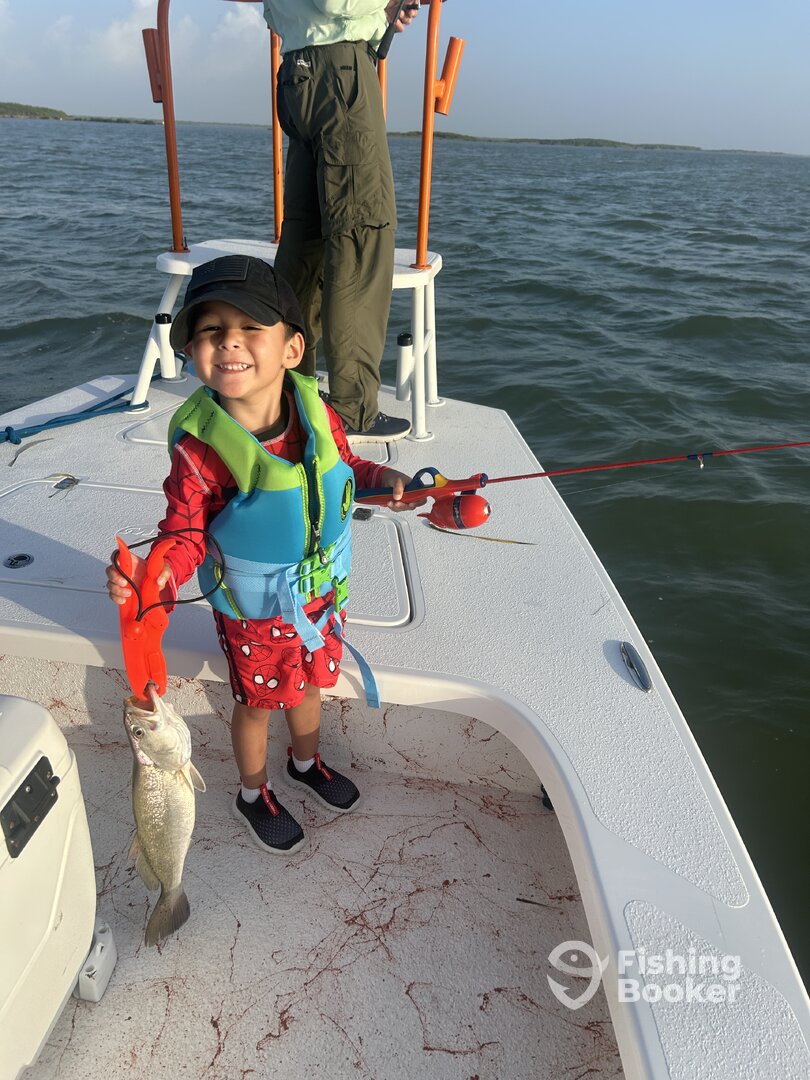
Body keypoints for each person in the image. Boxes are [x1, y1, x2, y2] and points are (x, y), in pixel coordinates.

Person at [106, 255, 422, 854]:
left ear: (292, 349)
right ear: (192, 351)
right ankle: (253, 793)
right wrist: (152, 578)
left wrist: (385, 479)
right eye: (210, 330)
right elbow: (184, 535)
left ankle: (306, 763)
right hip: (255, 615)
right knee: (256, 705)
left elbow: (346, 468)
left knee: (310, 686)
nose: (229, 341)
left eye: (251, 326)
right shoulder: (200, 450)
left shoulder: (316, 410)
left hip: (322, 598)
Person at [261, 0, 420, 441]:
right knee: (360, 239)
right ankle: (353, 408)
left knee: (304, 243)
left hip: (297, 75)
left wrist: (380, 17)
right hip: (340, 75)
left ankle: (287, 393)